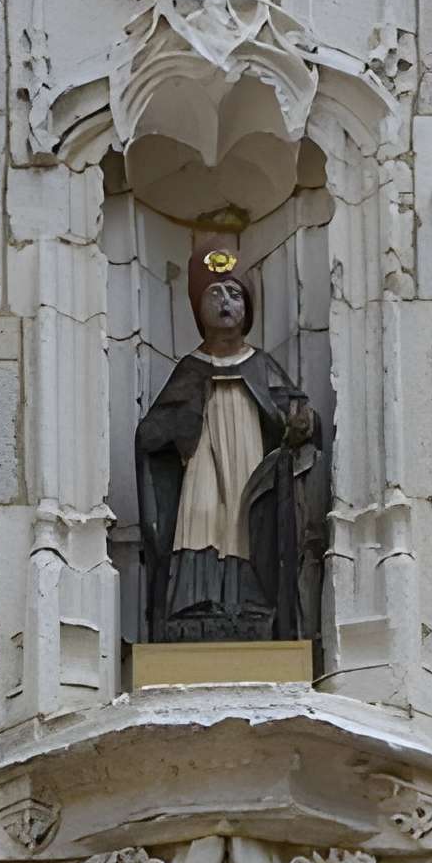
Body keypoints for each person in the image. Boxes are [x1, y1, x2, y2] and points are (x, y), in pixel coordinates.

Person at [135, 237, 319, 645]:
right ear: (199, 309)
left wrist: (300, 421)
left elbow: (299, 415)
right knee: (200, 515)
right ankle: (194, 602)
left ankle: (248, 604)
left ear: (247, 309)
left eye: (234, 294)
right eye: (214, 293)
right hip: (201, 453)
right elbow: (151, 434)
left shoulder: (261, 365)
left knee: (243, 520)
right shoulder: (190, 368)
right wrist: (178, 421)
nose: (225, 302)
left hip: (249, 455)